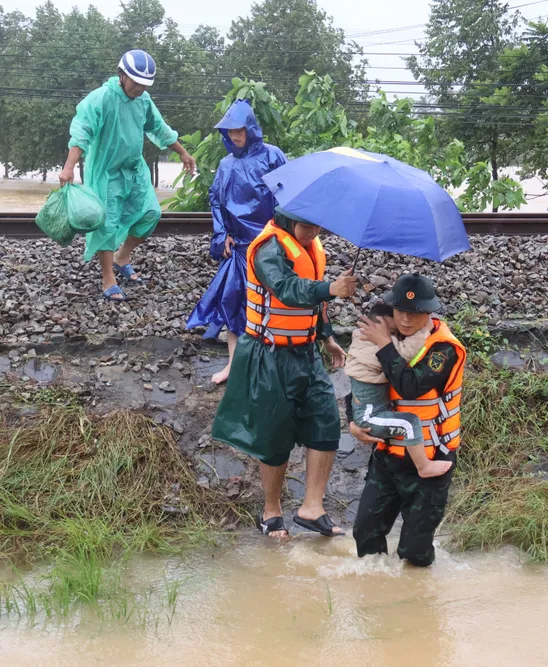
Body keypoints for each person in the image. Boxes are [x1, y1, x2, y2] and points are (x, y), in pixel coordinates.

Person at [210, 208, 358, 539]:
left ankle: (312, 508)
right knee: (274, 434)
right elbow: (287, 289)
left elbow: (314, 304)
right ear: (288, 219)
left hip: (305, 352)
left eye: (319, 223)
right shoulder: (268, 248)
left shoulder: (311, 245)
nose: (314, 230)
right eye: (307, 224)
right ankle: (271, 511)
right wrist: (331, 289)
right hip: (268, 354)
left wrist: (329, 338)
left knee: (325, 421)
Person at [60, 49, 196, 302]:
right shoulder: (101, 98)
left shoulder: (143, 101)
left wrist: (184, 154)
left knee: (150, 213)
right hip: (106, 172)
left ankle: (123, 256)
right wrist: (69, 167)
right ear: (121, 75)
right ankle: (107, 277)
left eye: (145, 84)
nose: (140, 88)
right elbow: (82, 131)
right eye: (136, 82)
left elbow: (160, 129)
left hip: (134, 170)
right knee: (107, 224)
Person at [349, 273, 467, 568]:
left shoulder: (443, 348)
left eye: (415, 313)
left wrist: (382, 345)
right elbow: (361, 379)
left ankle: (419, 603)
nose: (405, 319)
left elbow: (410, 386)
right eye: (400, 311)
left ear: (429, 312)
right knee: (365, 534)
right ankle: (374, 601)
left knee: (414, 551)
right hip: (388, 457)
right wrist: (353, 423)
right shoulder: (389, 335)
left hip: (430, 458)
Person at [186, 101, 286, 384]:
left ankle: (269, 367)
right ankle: (233, 366)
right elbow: (216, 199)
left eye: (239, 130)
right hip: (240, 247)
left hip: (270, 246)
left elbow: (288, 197)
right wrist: (221, 234)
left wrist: (285, 237)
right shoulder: (226, 164)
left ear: (250, 128)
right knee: (233, 305)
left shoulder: (272, 156)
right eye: (230, 131)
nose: (235, 136)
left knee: (271, 306)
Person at [345, 302, 453, 479]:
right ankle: (423, 466)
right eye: (391, 332)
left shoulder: (443, 347)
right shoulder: (370, 344)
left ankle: (422, 465)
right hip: (373, 423)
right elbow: (401, 353)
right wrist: (423, 331)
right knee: (409, 423)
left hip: (428, 446)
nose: (395, 335)